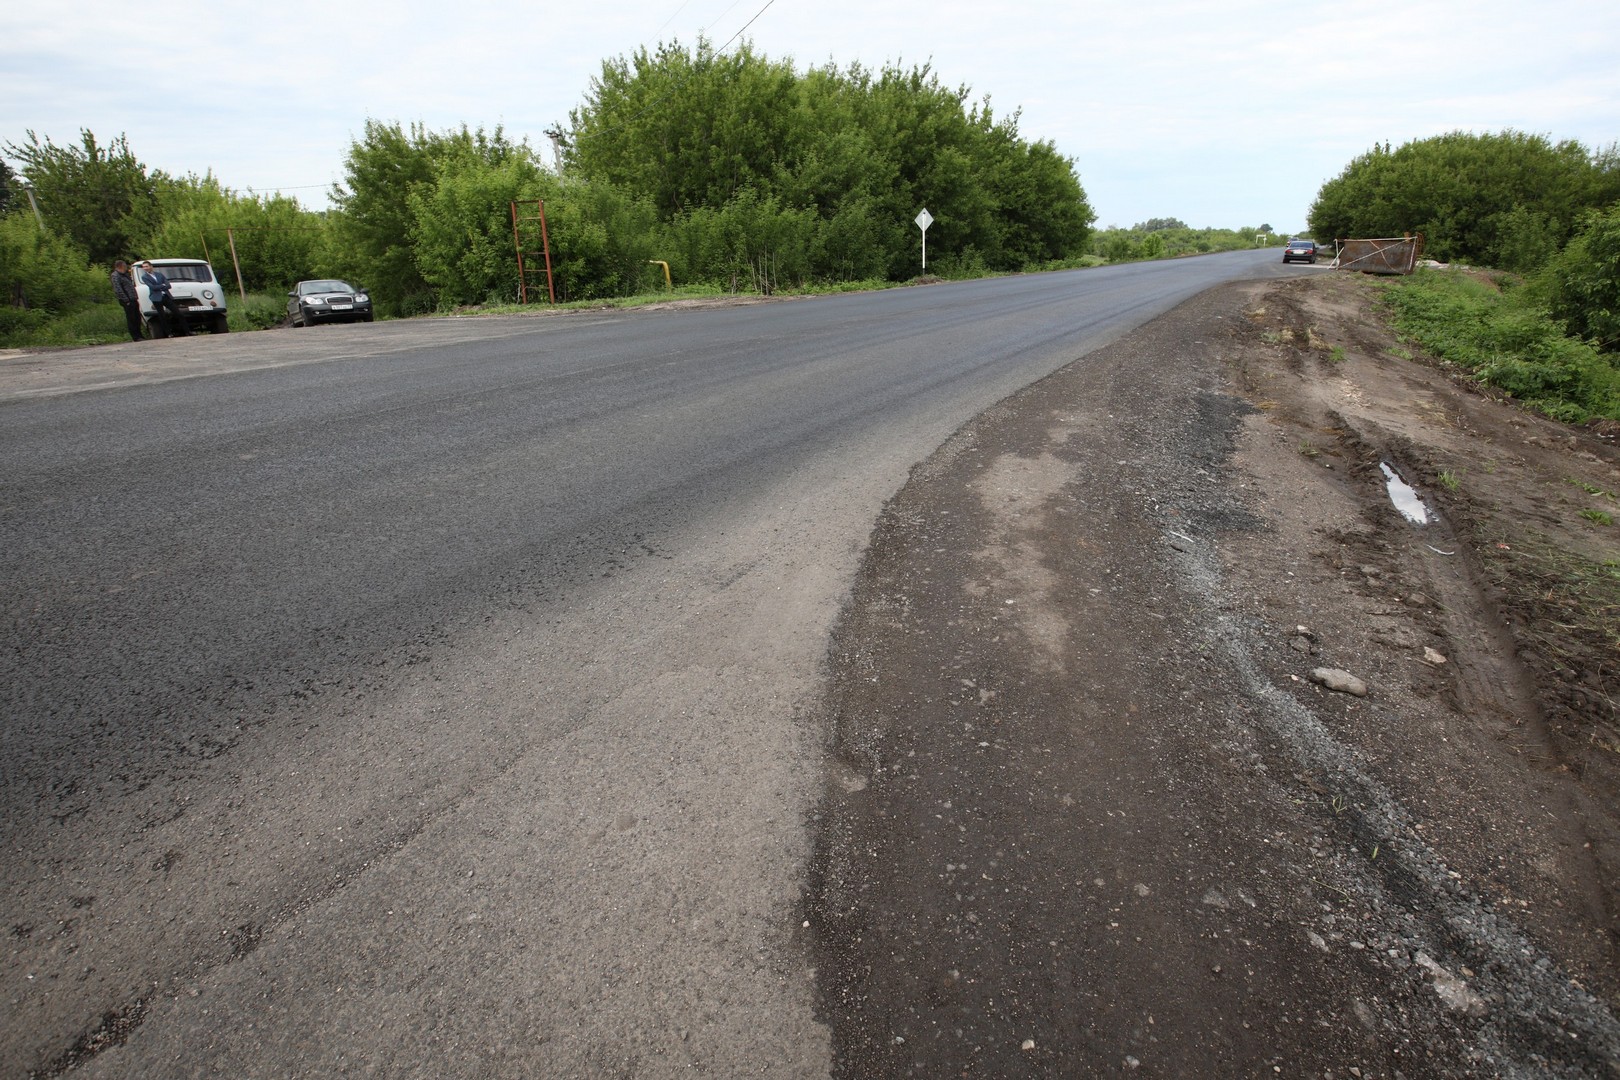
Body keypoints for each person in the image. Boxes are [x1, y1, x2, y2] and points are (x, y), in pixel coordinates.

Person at [138, 260, 190, 337]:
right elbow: (152, 287)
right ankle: (168, 333)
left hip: (165, 296)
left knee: (179, 313)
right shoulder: (144, 277)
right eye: (143, 267)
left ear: (151, 266)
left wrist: (161, 286)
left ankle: (187, 331)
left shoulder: (159, 275)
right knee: (162, 316)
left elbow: (168, 285)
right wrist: (162, 285)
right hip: (156, 298)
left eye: (146, 266)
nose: (145, 268)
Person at [110, 260, 144, 342]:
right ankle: (135, 336)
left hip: (133, 298)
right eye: (125, 266)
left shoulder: (125, 275)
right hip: (127, 300)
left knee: (137, 318)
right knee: (131, 318)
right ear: (121, 266)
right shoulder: (115, 275)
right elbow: (118, 289)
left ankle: (139, 334)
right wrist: (126, 300)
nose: (126, 268)